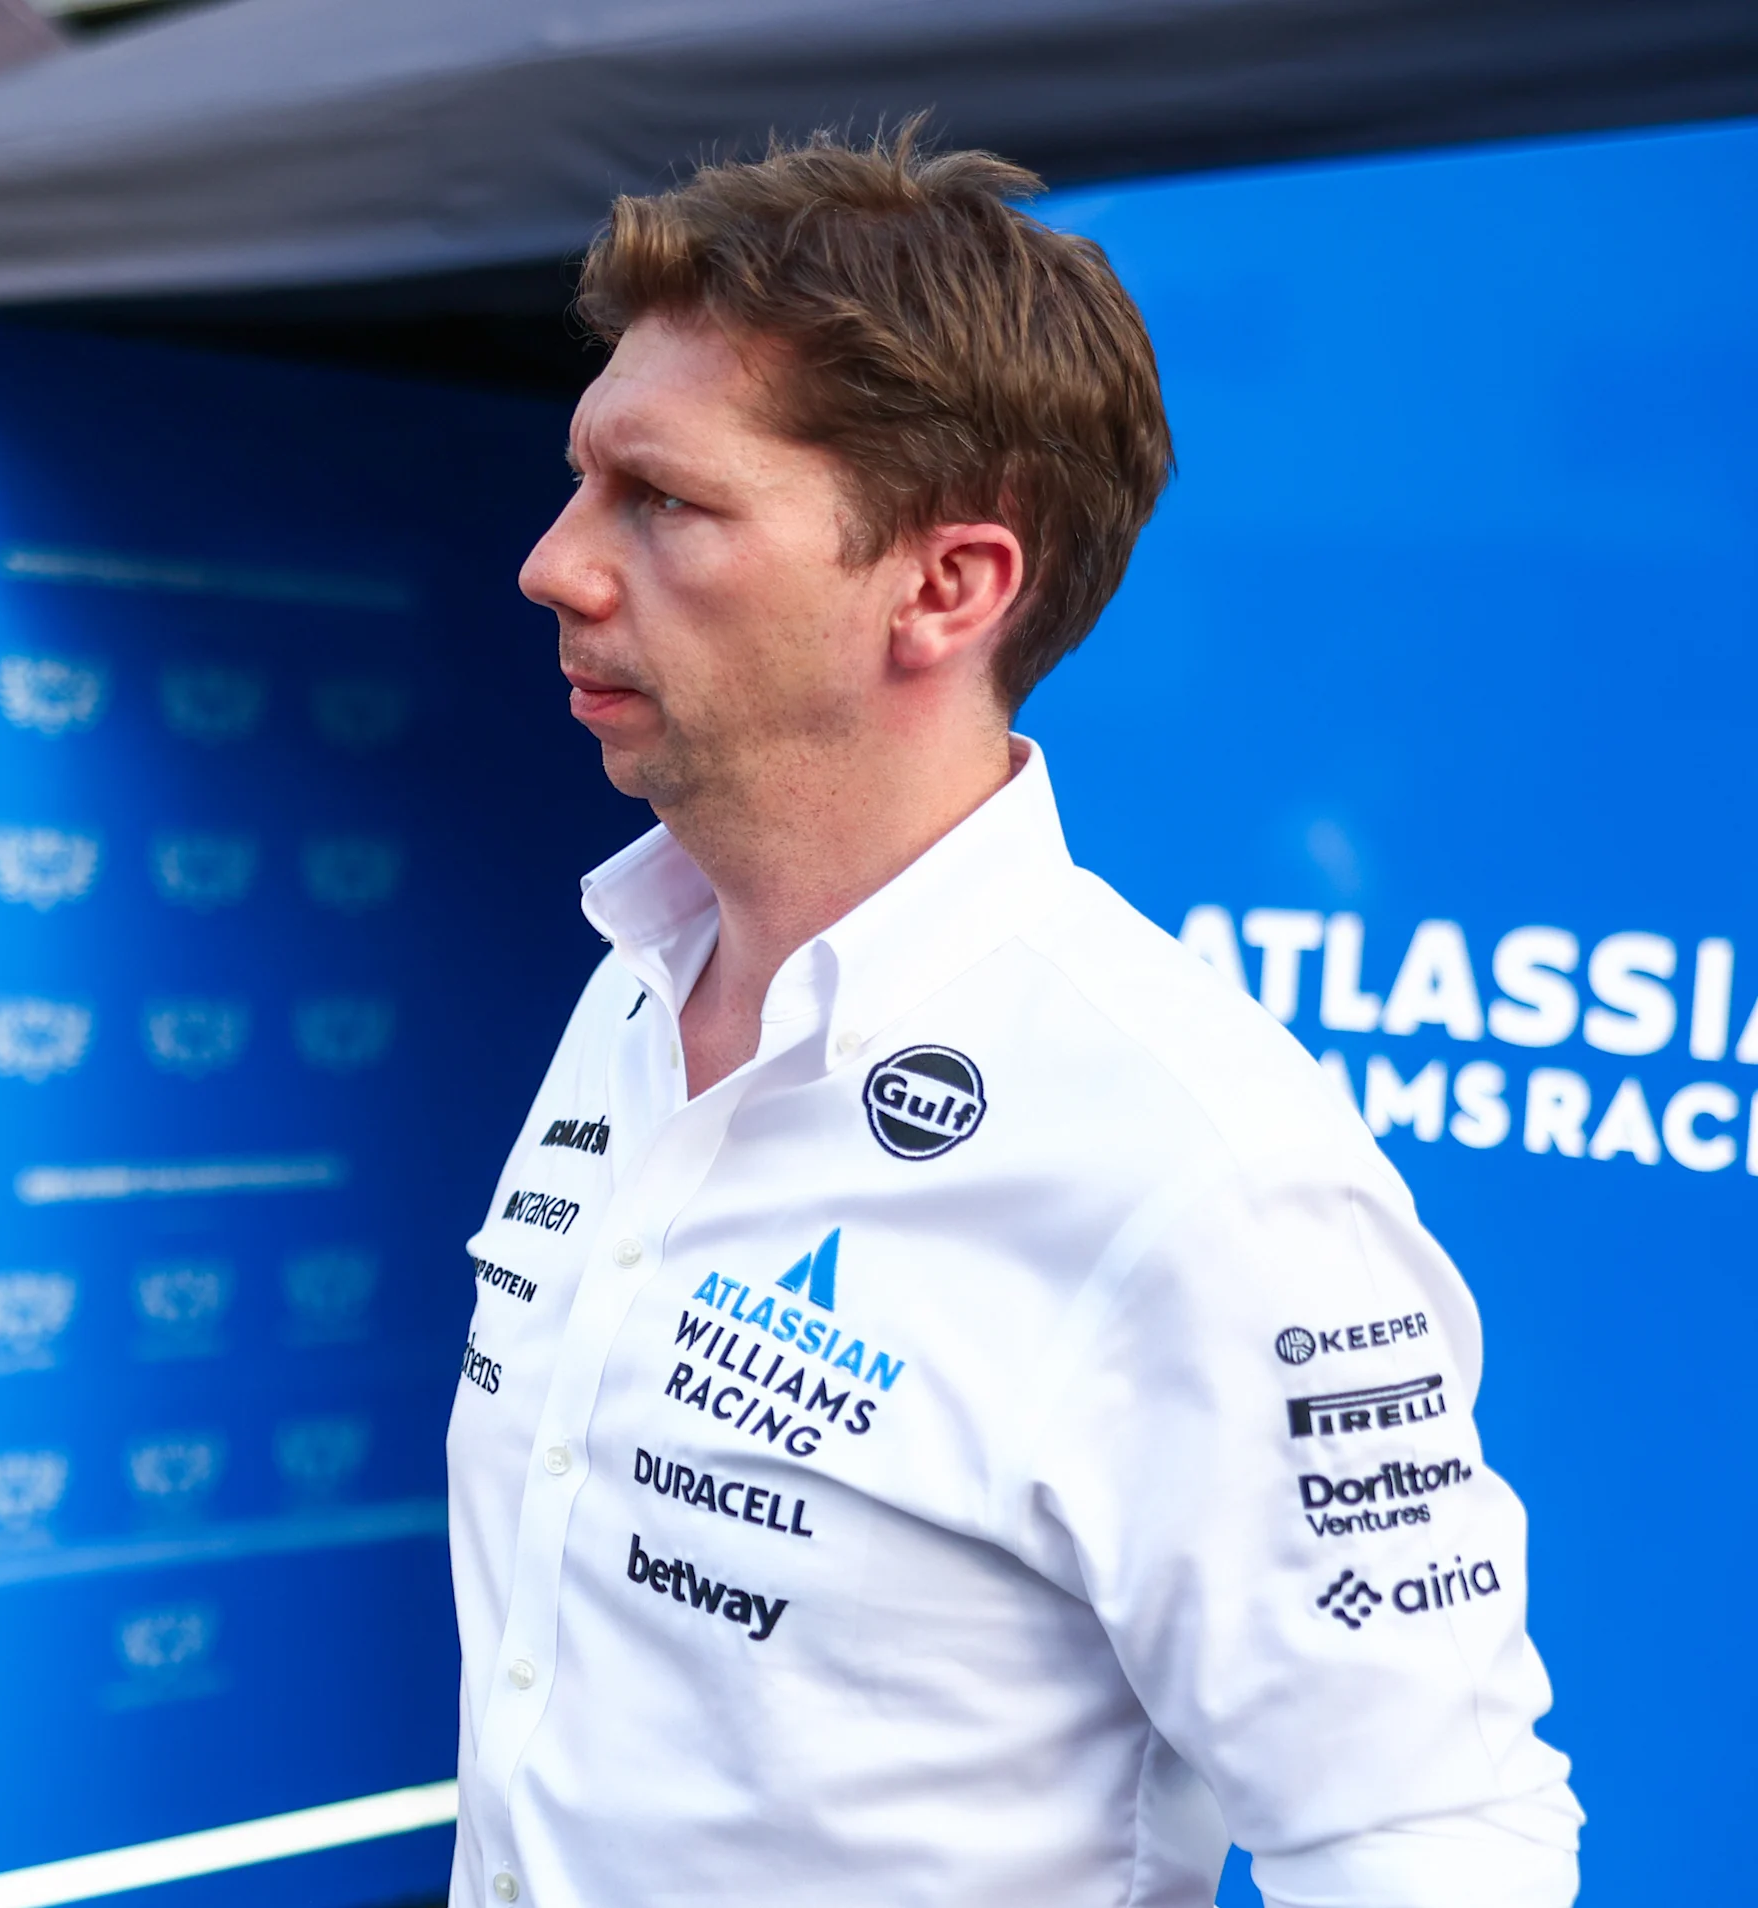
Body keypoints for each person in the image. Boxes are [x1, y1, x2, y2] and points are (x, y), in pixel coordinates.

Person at [455, 131, 1579, 1908]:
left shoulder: (1201, 1169)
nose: (553, 563)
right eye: (581, 479)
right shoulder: (636, 977)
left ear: (946, 586)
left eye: (660, 500)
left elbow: (1435, 1841)